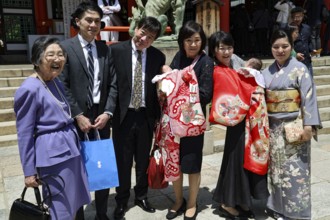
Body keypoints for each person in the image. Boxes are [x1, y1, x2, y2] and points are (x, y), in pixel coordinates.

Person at [14, 36, 91, 220]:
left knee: (73, 203)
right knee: (60, 207)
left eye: (60, 54)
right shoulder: (30, 89)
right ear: (37, 60)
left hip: (70, 150)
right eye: (51, 55)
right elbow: (24, 132)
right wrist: (29, 171)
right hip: (53, 157)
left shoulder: (55, 81)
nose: (57, 59)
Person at [59, 1, 118, 220]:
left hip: (101, 117)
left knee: (102, 167)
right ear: (77, 21)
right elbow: (62, 85)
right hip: (76, 119)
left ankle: (101, 213)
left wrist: (108, 112)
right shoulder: (65, 48)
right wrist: (77, 115)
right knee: (76, 170)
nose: (94, 25)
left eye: (97, 21)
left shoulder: (104, 49)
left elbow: (113, 84)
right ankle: (78, 215)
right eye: (89, 20)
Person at [208, 30, 269, 219]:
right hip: (237, 122)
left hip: (248, 122)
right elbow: (231, 96)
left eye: (229, 47)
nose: (226, 52)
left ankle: (240, 200)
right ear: (214, 51)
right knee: (235, 161)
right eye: (221, 48)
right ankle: (228, 202)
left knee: (241, 162)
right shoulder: (216, 70)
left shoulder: (236, 66)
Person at [262, 29, 322, 220]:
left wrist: (308, 125)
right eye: (276, 46)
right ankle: (278, 208)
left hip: (295, 125)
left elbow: (309, 98)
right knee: (277, 171)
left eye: (285, 46)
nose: (280, 50)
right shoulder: (266, 72)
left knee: (297, 172)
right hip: (273, 128)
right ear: (271, 48)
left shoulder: (300, 69)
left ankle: (298, 213)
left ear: (292, 47)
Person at [109, 16, 165, 220]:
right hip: (123, 116)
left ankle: (141, 196)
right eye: (143, 32)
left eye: (150, 37)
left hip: (146, 116)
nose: (144, 39)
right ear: (136, 28)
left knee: (142, 160)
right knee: (122, 161)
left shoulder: (158, 56)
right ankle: (122, 199)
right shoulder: (116, 51)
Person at [159, 20, 213, 220]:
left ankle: (192, 203)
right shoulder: (179, 59)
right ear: (182, 42)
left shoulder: (206, 63)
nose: (192, 44)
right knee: (175, 162)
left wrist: (183, 83)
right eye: (188, 40)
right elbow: (169, 85)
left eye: (197, 40)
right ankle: (178, 199)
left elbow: (206, 94)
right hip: (174, 122)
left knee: (191, 163)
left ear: (202, 41)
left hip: (192, 124)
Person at [290, 6, 315, 76]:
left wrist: (312, 50)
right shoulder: (288, 29)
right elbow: (286, 44)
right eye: (295, 17)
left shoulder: (307, 28)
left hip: (307, 61)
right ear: (292, 17)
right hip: (295, 62)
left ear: (303, 16)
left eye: (299, 17)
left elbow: (309, 41)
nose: (297, 19)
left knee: (309, 82)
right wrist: (294, 54)